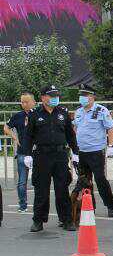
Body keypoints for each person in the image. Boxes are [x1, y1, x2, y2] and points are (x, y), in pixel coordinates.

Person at [21, 85, 79, 232]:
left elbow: (70, 135)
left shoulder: (63, 112)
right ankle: (38, 220)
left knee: (62, 189)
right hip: (42, 155)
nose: (55, 98)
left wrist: (75, 152)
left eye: (56, 95)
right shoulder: (34, 114)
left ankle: (66, 220)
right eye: (51, 96)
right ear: (43, 98)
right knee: (41, 190)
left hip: (60, 155)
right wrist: (27, 154)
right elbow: (28, 136)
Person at [72, 84, 113, 217]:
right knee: (84, 181)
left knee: (100, 179)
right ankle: (89, 206)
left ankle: (110, 205)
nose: (82, 98)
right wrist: (73, 149)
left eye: (85, 95)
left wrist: (111, 146)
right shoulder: (79, 112)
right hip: (82, 151)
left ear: (92, 97)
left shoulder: (101, 110)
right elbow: (75, 129)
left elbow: (110, 128)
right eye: (81, 96)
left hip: (96, 151)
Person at [3, 92, 36, 211]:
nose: (24, 104)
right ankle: (23, 205)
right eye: (22, 102)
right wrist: (14, 137)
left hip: (37, 152)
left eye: (27, 101)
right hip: (23, 152)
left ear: (33, 102)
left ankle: (40, 205)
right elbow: (6, 127)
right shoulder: (18, 116)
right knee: (22, 182)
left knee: (39, 181)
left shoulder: (38, 114)